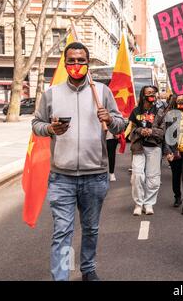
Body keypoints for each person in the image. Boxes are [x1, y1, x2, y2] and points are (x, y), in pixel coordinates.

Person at [32, 42, 125, 281]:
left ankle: (87, 268)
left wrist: (110, 119)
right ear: (65, 63)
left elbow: (120, 123)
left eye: (81, 61)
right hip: (61, 177)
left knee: (91, 229)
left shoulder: (102, 91)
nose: (76, 65)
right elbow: (37, 124)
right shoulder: (51, 93)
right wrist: (51, 128)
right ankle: (61, 276)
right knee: (62, 231)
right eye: (71, 60)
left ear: (88, 63)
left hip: (95, 175)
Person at [129, 85, 165, 216]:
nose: (152, 95)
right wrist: (139, 130)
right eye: (149, 93)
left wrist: (151, 131)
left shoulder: (160, 111)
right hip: (138, 147)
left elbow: (163, 131)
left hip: (154, 147)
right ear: (143, 95)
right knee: (137, 175)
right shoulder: (135, 111)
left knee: (153, 178)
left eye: (153, 93)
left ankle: (149, 203)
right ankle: (138, 203)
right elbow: (130, 130)